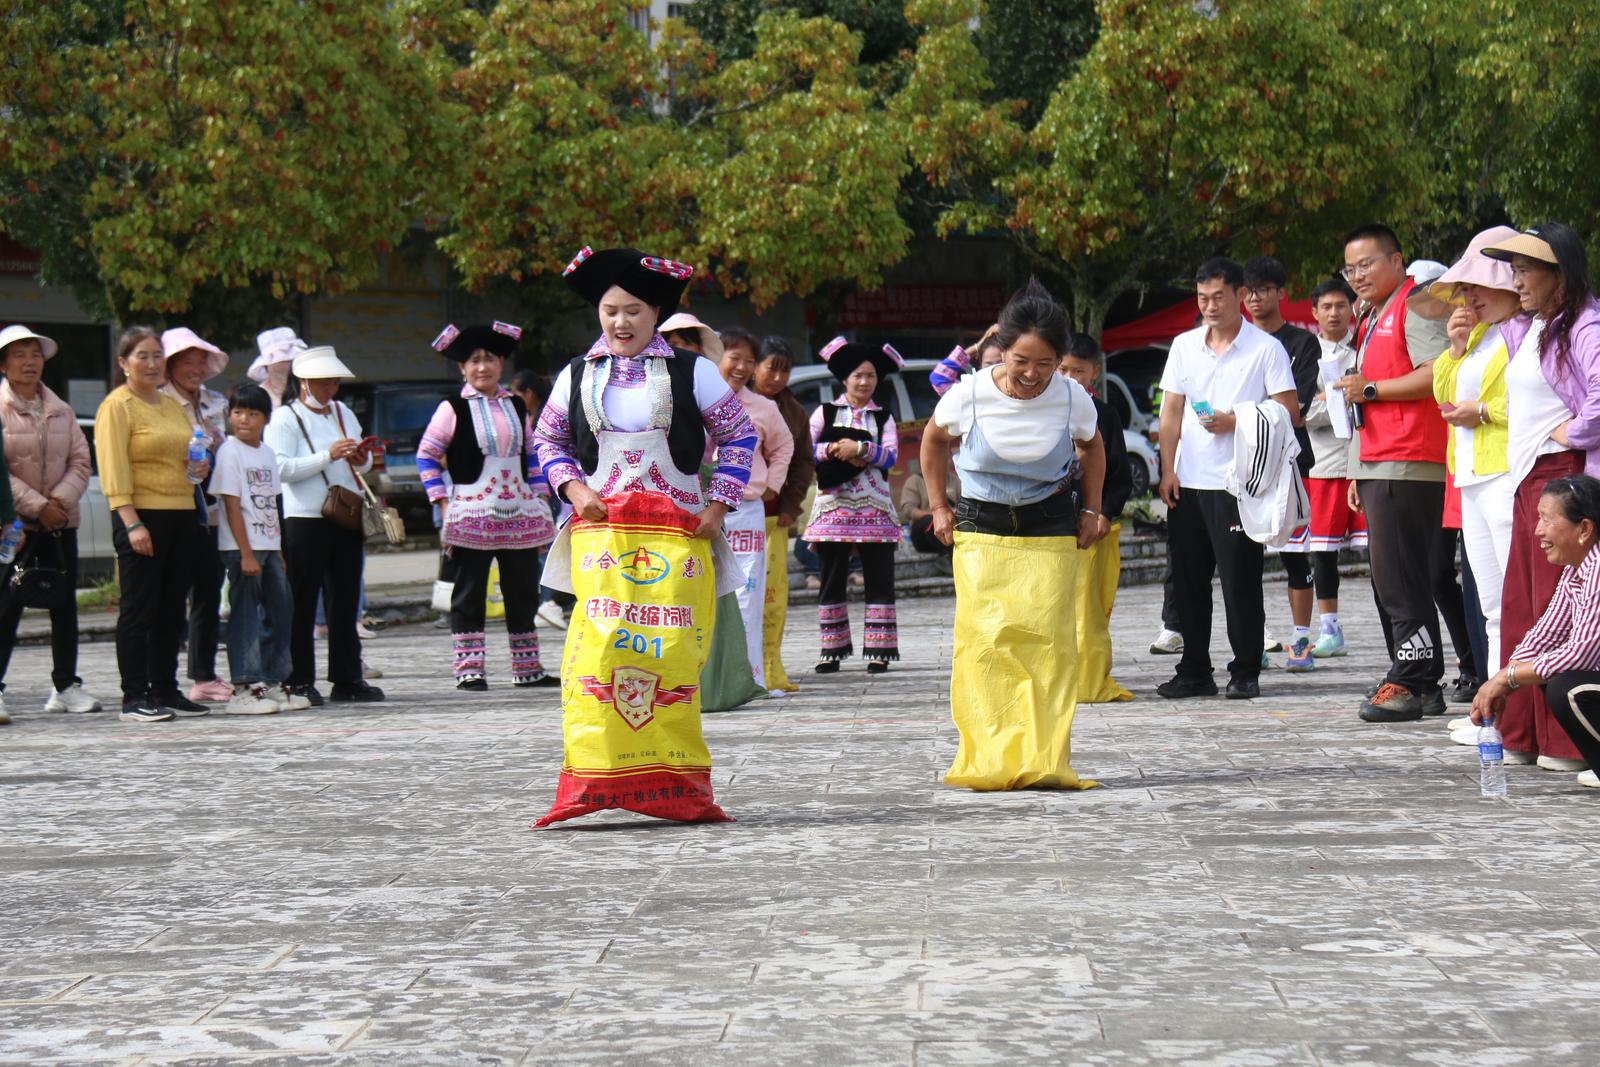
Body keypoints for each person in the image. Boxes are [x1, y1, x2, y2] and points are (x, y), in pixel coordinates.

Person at [532, 245, 755, 826]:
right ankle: (597, 776)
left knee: (672, 659)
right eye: (610, 310)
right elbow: (548, 443)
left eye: (633, 309)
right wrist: (575, 492)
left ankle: (675, 784)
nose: (620, 322)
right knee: (598, 655)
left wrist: (719, 503)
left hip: (677, 539)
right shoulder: (576, 374)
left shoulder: (693, 371)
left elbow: (739, 437)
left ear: (655, 313)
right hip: (602, 541)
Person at [921, 277, 1108, 789]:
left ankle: (1045, 758)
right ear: (1001, 352)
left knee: (1049, 644)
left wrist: (1092, 509)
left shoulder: (1073, 398)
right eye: (1021, 361)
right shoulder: (969, 394)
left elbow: (1093, 448)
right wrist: (939, 506)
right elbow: (934, 443)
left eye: (1045, 364)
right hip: (981, 526)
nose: (1031, 374)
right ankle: (989, 757)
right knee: (987, 643)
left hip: (1050, 525)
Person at [1476, 223, 1600, 768]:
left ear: (1560, 274)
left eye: (1528, 270)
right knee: (1526, 606)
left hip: (1565, 475)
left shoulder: (1587, 325)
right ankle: (1524, 732)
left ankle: (1570, 739)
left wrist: (1570, 434)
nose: (1517, 280)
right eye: (1516, 269)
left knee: (1562, 607)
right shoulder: (1534, 326)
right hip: (1530, 478)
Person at [1156, 257, 1299, 700]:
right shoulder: (1183, 346)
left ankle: (1245, 669)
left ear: (1240, 294)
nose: (1210, 306)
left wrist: (1235, 419)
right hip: (1190, 481)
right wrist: (1166, 470)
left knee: (1240, 580)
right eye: (1202, 298)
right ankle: (1195, 669)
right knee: (1188, 580)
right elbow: (1171, 413)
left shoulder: (1265, 348)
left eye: (1219, 296)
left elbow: (1290, 411)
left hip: (1240, 482)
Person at [1334, 225, 1451, 722]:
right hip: (1380, 459)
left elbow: (1434, 372)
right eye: (1350, 268)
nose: (1357, 275)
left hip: (1408, 459)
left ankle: (1413, 678)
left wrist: (1373, 390)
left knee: (1399, 576)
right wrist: (1356, 471)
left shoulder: (1415, 304)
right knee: (1394, 575)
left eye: (1367, 264)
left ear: (1397, 260)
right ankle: (1421, 679)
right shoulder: (1373, 314)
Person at [418, 321, 559, 690]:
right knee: (469, 592)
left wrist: (540, 494)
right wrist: (442, 501)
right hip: (470, 512)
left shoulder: (514, 403)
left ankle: (527, 667)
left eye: (490, 359)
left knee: (523, 589)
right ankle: (469, 668)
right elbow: (427, 456)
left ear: (501, 364)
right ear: (463, 368)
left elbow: (532, 454)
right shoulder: (452, 407)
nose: (483, 367)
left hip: (518, 512)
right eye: (475, 361)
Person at [1422, 228, 1521, 738]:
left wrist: (1482, 410)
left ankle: (1513, 714)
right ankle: (1492, 709)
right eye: (1463, 289)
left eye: (1478, 285)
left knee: (1512, 597)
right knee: (1488, 603)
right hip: (1472, 476)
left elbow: (1539, 404)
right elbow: (1442, 394)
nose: (1468, 297)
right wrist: (1457, 345)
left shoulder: (1522, 333)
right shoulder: (1480, 335)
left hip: (1508, 473)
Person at [94, 326, 208, 723]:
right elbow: (112, 468)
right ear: (123, 363)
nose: (152, 362)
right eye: (141, 355)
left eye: (157, 355)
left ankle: (165, 687)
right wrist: (130, 522)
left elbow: (184, 456)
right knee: (138, 608)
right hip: (140, 515)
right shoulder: (117, 405)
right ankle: (134, 695)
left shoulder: (170, 405)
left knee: (172, 608)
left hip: (181, 512)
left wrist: (198, 467)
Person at [265, 344, 385, 706]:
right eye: (323, 382)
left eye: (334, 381)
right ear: (303, 382)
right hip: (304, 517)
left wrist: (360, 459)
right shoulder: (285, 418)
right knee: (302, 599)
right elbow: (281, 468)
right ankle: (298, 678)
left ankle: (347, 677)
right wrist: (326, 456)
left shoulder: (343, 412)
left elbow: (358, 466)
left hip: (344, 513)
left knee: (345, 599)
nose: (331, 388)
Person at [1471, 475, 1600, 784]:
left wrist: (1507, 677)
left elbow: (1580, 654)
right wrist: (1501, 684)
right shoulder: (1575, 570)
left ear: (1584, 529)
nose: (1537, 530)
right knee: (1549, 676)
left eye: (1546, 519)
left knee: (1568, 689)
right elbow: (1545, 635)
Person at [0, 325, 100, 720]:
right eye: (20, 354)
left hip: (60, 523)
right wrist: (36, 505)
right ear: (4, 363)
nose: (29, 362)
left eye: (35, 354)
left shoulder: (62, 408)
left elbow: (81, 460)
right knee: (6, 607)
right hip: (13, 526)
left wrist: (58, 502)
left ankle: (65, 686)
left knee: (63, 606)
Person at [804, 337, 904, 673]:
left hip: (875, 510)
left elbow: (891, 455)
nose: (864, 382)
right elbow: (807, 449)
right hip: (834, 510)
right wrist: (835, 450)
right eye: (858, 375)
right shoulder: (825, 412)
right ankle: (831, 650)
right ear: (845, 379)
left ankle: (879, 651)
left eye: (871, 376)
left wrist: (861, 450)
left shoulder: (883, 417)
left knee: (879, 577)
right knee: (832, 576)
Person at [1243, 257, 1323, 671]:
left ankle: (1300, 640)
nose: (1255, 298)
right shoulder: (1234, 345)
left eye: (1263, 289)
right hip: (1243, 464)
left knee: (1295, 552)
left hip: (1291, 461)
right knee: (1244, 559)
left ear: (1281, 293)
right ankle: (1251, 639)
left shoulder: (1302, 344)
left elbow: (1296, 409)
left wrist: (1246, 413)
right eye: (1249, 291)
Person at [212, 382, 301, 715]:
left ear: (265, 418)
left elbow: (273, 505)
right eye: (237, 412)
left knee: (281, 611)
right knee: (246, 616)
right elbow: (233, 506)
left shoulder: (265, 452)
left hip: (269, 546)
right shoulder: (229, 451)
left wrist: (277, 551)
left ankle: (274, 681)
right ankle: (243, 686)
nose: (244, 420)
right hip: (241, 549)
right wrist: (246, 553)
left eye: (252, 413)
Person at [715, 326, 792, 689]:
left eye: (749, 360)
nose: (742, 367)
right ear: (717, 356)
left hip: (746, 510)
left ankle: (749, 679)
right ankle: (706, 678)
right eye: (735, 358)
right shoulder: (697, 400)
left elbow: (784, 447)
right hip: (701, 510)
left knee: (747, 593)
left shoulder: (763, 407)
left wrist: (770, 487)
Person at [1058, 333, 1133, 703]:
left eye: (1078, 370)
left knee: (1088, 614)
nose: (1070, 377)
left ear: (1094, 373)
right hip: (1050, 528)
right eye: (1063, 369)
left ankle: (1088, 681)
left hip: (1092, 531)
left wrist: (1103, 511)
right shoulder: (1041, 410)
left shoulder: (1106, 415)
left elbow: (1119, 475)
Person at [160, 327, 231, 705]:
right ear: (170, 365)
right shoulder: (158, 403)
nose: (196, 368)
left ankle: (203, 675)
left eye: (201, 360)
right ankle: (161, 679)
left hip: (214, 510)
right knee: (170, 595)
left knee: (208, 589)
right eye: (187, 361)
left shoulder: (216, 402)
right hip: (172, 507)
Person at [1302, 278, 1364, 657]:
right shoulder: (1308, 356)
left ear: (1352, 308)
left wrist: (1333, 397)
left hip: (1365, 459)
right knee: (1322, 551)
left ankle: (1394, 620)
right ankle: (1330, 627)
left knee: (1378, 550)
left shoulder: (1365, 347)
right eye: (1326, 307)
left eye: (1341, 305)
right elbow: (1305, 410)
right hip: (1324, 465)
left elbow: (1370, 403)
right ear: (1315, 312)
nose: (1334, 313)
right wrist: (1339, 398)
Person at [752, 335, 815, 692]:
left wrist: (792, 506)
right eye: (771, 367)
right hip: (731, 515)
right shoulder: (731, 402)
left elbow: (803, 462)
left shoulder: (793, 410)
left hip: (774, 517)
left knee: (771, 599)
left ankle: (770, 668)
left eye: (784, 371)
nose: (776, 377)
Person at [930, 326, 1003, 396]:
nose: (993, 368)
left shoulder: (1013, 392)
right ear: (980, 365)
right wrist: (978, 345)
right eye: (988, 365)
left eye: (999, 363)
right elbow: (938, 377)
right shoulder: (972, 391)